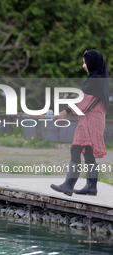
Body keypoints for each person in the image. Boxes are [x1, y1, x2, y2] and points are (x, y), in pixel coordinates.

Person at [50, 49, 110, 196]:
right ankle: (91, 186)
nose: (83, 66)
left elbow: (82, 103)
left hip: (90, 121)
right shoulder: (100, 79)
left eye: (85, 62)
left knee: (75, 149)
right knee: (88, 152)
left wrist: (63, 113)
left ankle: (68, 185)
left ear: (93, 63)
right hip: (96, 120)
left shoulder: (94, 80)